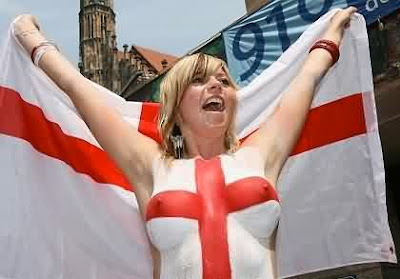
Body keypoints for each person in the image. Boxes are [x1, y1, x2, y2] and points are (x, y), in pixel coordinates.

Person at [13, 7, 357, 279]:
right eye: (199, 81)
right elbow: (78, 89)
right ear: (176, 105)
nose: (216, 86)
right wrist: (32, 40)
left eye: (224, 80)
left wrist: (331, 32)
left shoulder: (261, 154)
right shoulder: (151, 166)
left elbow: (307, 79)